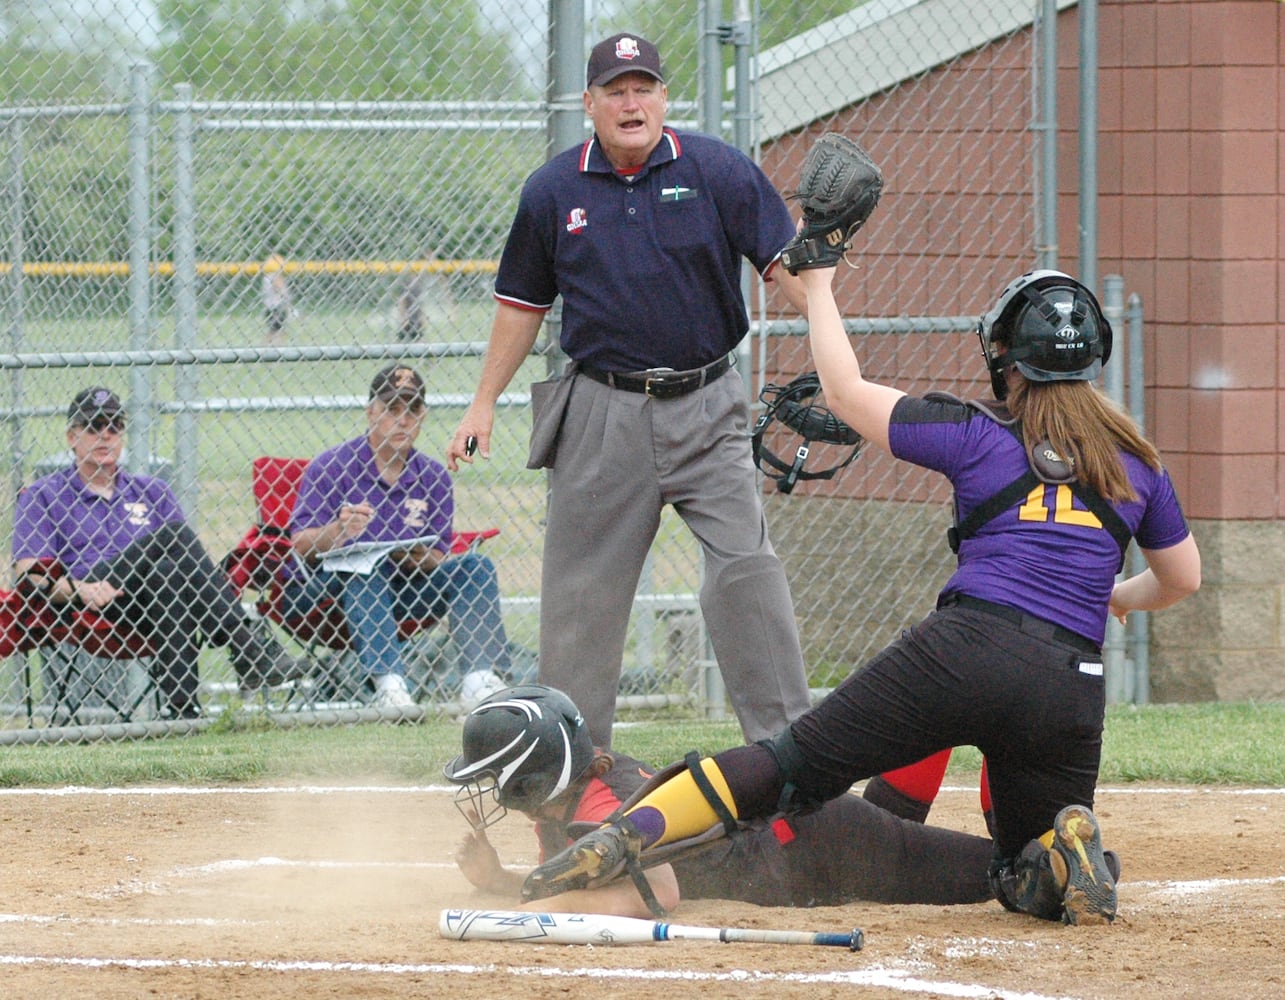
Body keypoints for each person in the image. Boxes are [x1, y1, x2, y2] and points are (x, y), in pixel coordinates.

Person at [522, 267, 1201, 926]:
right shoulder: (1136, 464)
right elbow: (1182, 579)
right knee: (1018, 864)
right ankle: (1063, 850)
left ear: (1007, 361)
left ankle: (623, 833)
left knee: (784, 766)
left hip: (965, 649)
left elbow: (844, 393)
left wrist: (816, 289)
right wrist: (1116, 595)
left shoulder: (976, 432)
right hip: (1067, 680)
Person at [446, 32, 814, 749]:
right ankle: (571, 776)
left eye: (642, 87)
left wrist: (826, 293)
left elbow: (784, 269)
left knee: (747, 572)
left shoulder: (717, 170)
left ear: (663, 99)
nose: (630, 101)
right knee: (582, 602)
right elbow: (521, 306)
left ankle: (792, 763)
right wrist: (483, 401)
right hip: (601, 411)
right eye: (614, 90)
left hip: (708, 404)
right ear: (589, 104)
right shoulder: (554, 190)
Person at [443, 684, 996, 917]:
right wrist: (504, 883)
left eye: (496, 777)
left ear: (531, 779)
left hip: (827, 849)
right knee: (906, 835)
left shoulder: (598, 809)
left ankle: (994, 729)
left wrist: (530, 906)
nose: (490, 792)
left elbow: (657, 891)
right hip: (816, 841)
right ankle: (955, 713)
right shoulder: (573, 801)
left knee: (1004, 875)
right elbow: (577, 874)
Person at [12, 387, 308, 719]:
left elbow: (185, 568)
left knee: (167, 571)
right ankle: (247, 644)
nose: (105, 436)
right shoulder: (43, 494)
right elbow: (29, 575)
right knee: (173, 536)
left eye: (113, 426)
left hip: (146, 601)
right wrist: (80, 589)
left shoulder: (152, 490)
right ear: (71, 436)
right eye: (93, 427)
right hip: (89, 598)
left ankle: (184, 712)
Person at [283, 364, 511, 711]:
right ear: (370, 411)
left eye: (413, 409)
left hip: (406, 587)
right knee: (364, 568)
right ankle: (390, 686)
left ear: (423, 415)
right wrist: (338, 532)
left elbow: (438, 554)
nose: (403, 419)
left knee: (475, 566)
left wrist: (416, 556)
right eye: (392, 409)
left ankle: (479, 683)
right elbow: (300, 546)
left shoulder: (433, 476)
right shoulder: (331, 465)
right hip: (330, 593)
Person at [263, 253, 291, 345]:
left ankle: (268, 346)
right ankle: (277, 348)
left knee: (273, 331)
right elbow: (281, 290)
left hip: (269, 306)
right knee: (278, 331)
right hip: (277, 307)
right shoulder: (275, 276)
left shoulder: (267, 276)